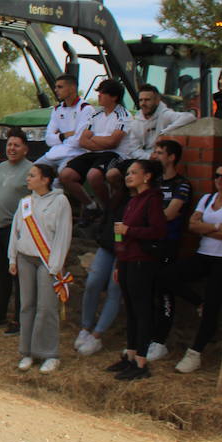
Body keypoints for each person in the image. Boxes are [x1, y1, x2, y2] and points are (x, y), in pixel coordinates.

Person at [166, 160, 222, 374]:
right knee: (167, 276)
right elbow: (192, 226)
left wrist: (206, 228)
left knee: (214, 305)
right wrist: (215, 227)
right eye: (217, 176)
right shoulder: (207, 198)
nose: (219, 180)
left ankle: (195, 353)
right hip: (204, 254)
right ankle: (198, 302)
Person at [107, 158, 168, 380]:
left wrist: (129, 230)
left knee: (142, 310)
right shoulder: (133, 200)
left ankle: (141, 361)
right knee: (131, 309)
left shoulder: (152, 200)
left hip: (142, 260)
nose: (128, 176)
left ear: (147, 176)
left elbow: (157, 231)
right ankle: (130, 354)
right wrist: (118, 258)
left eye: (134, 172)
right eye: (127, 173)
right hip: (126, 259)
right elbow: (120, 230)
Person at [9, 162, 73, 373]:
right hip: (25, 258)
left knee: (46, 308)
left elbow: (63, 234)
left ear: (45, 180)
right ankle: (26, 352)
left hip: (47, 261)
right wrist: (12, 258)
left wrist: (56, 265)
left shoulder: (60, 202)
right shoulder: (25, 202)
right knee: (27, 306)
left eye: (32, 175)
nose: (28, 178)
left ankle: (49, 353)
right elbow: (15, 231)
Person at [144, 139, 194, 362]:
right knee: (147, 290)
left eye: (160, 152)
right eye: (154, 151)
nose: (155, 155)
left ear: (172, 157)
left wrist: (147, 219)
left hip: (168, 243)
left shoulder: (182, 184)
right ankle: (145, 337)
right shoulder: (152, 183)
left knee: (164, 290)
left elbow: (171, 214)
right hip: (146, 243)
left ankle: (159, 341)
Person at [58, 78, 132, 219]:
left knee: (94, 176)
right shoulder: (96, 114)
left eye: (102, 93)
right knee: (65, 175)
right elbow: (82, 140)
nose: (98, 96)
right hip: (93, 153)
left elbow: (113, 143)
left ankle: (108, 210)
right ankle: (91, 205)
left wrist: (94, 138)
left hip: (114, 154)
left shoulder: (124, 115)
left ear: (114, 97)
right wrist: (101, 140)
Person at [0, 130, 32, 333]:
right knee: (2, 274)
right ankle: (0, 315)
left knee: (19, 276)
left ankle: (19, 320)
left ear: (25, 149)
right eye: (9, 144)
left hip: (17, 231)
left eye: (16, 145)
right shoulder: (0, 167)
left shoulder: (31, 169)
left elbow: (34, 201)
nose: (12, 148)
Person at [75, 183, 126, 358]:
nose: (129, 178)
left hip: (126, 250)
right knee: (92, 283)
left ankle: (97, 335)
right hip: (108, 245)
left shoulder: (141, 200)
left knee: (114, 288)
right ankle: (85, 328)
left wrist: (121, 245)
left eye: (133, 173)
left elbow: (123, 228)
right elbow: (114, 221)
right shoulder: (119, 198)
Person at [33, 73, 94, 171]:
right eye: (56, 87)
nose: (56, 90)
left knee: (62, 177)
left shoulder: (85, 109)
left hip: (75, 154)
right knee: (33, 172)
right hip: (53, 154)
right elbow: (48, 139)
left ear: (72, 88)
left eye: (60, 87)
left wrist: (58, 138)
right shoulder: (57, 110)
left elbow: (78, 141)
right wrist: (65, 135)